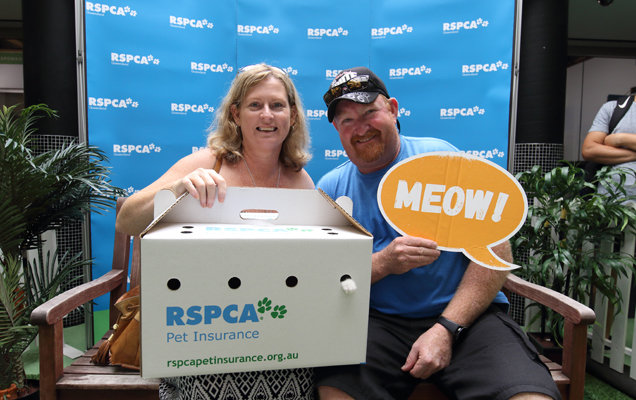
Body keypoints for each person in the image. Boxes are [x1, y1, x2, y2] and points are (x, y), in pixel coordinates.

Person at [314, 67, 561, 400]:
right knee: (335, 392)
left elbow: (497, 252)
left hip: (468, 320)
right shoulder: (331, 189)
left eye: (370, 112)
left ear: (393, 109)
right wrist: (384, 263)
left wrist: (447, 328)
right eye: (347, 120)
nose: (360, 128)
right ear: (336, 129)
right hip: (378, 323)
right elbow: (325, 279)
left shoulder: (441, 161)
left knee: (530, 396)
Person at [116, 63, 315, 400]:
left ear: (292, 115)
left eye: (277, 105)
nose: (267, 115)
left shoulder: (301, 181)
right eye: (255, 105)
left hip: (272, 326)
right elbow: (127, 221)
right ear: (235, 114)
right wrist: (179, 187)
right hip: (202, 328)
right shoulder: (208, 162)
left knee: (298, 376)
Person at [581, 92, 636, 197]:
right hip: (611, 200)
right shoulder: (613, 108)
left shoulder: (620, 137)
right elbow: (589, 150)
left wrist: (620, 139)